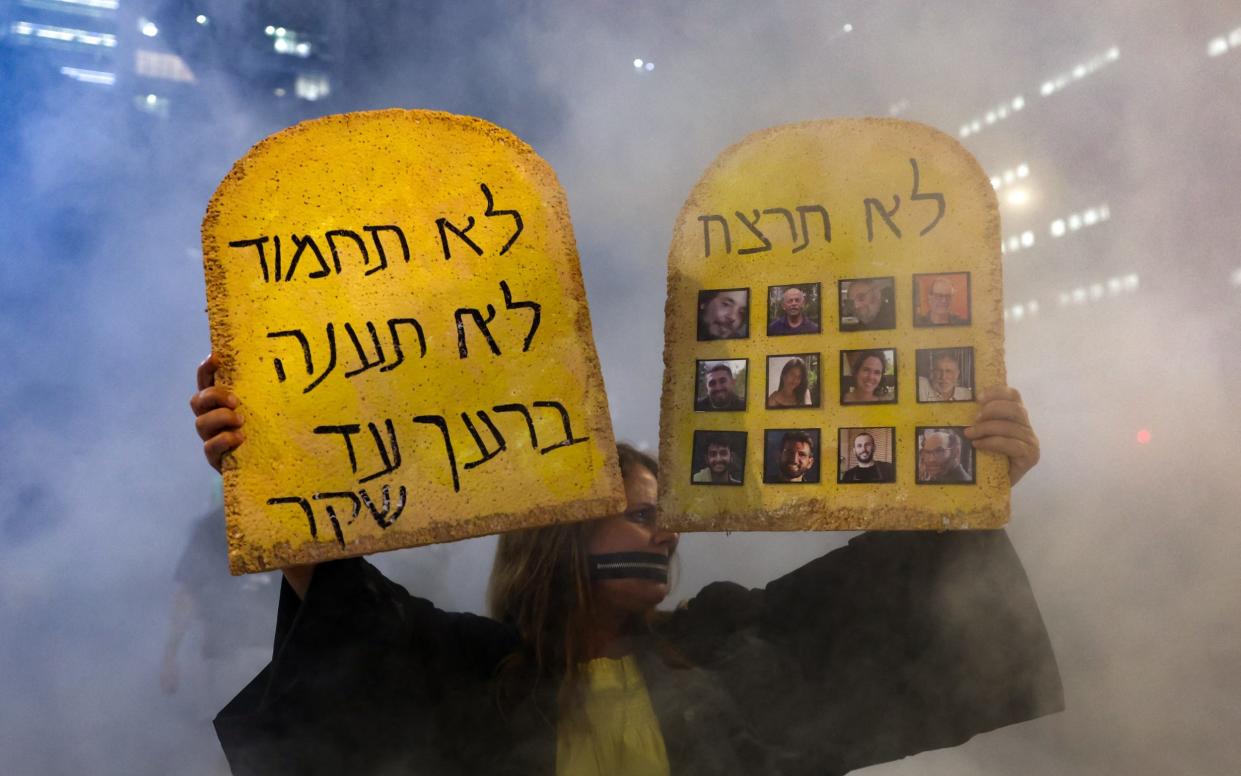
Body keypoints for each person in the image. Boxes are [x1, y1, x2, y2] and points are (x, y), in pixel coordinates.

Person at [193, 355, 1057, 775]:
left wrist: (977, 480)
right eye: (638, 515)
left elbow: (880, 594)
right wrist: (263, 460)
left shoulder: (726, 640)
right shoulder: (467, 669)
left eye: (665, 516)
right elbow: (346, 614)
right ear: (557, 535)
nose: (665, 534)